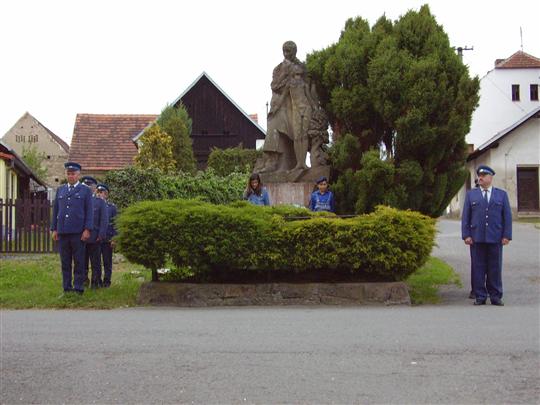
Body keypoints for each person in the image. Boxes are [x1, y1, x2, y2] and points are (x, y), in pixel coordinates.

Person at [462, 165, 512, 306]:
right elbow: (466, 217)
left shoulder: (501, 195)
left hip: (495, 237)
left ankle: (495, 296)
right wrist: (466, 235)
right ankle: (480, 296)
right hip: (476, 237)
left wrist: (506, 235)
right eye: (479, 176)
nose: (481, 178)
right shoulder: (471, 195)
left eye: (484, 176)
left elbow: (507, 216)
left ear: (491, 177)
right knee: (478, 267)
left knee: (495, 268)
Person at [51, 162, 93, 295]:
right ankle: (67, 288)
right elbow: (56, 210)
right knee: (65, 261)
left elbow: (89, 211)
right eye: (68, 174)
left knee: (79, 261)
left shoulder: (85, 190)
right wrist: (54, 229)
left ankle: (78, 288)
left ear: (78, 175)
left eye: (73, 174)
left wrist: (87, 229)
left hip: (78, 232)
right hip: (63, 231)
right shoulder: (61, 190)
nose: (70, 176)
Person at [81, 176, 108, 288]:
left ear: (94, 188)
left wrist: (101, 235)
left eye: (90, 186)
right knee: (82, 261)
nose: (88, 188)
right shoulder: (80, 201)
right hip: (81, 237)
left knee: (95, 262)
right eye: (85, 186)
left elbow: (104, 219)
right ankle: (83, 281)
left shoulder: (99, 202)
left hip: (95, 237)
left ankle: (95, 282)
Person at [97, 184, 117, 288]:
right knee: (96, 262)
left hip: (107, 238)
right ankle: (98, 281)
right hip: (96, 239)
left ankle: (107, 281)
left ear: (106, 194)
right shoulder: (94, 206)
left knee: (107, 261)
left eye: (102, 193)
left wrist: (114, 238)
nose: (99, 194)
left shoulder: (112, 207)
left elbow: (115, 223)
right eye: (98, 192)